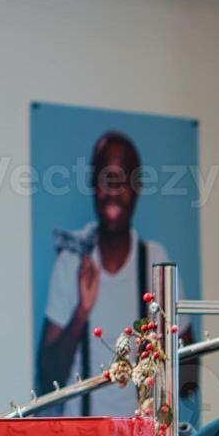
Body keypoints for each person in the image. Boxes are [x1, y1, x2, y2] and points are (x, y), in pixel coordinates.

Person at [36, 131, 176, 417]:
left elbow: (188, 378)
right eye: (105, 179)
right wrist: (81, 311)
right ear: (93, 186)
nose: (114, 190)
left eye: (123, 180)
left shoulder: (155, 262)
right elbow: (47, 378)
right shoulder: (71, 261)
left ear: (137, 188)